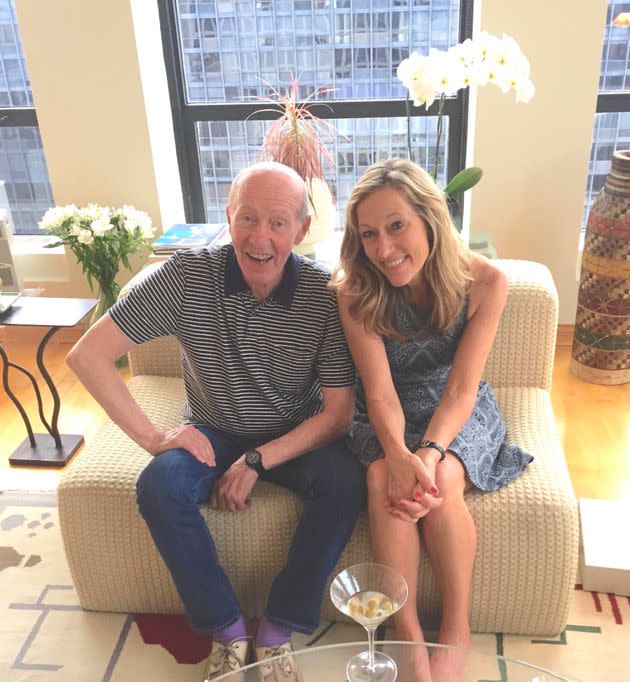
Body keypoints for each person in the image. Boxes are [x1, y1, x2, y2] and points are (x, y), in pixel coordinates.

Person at [66, 161, 366, 682]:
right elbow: (87, 356)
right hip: (211, 428)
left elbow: (339, 415)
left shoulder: (325, 295)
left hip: (293, 434)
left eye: (278, 222)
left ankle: (276, 630)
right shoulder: (188, 277)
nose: (261, 237)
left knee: (346, 482)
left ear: (302, 227)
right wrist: (155, 436)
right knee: (159, 486)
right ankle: (227, 631)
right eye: (248, 218)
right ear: (228, 219)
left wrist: (258, 459)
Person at [332, 158, 533, 682]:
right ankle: (408, 634)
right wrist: (399, 453)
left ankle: (457, 626)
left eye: (397, 226)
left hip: (455, 404)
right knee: (382, 476)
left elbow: (463, 386)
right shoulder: (354, 290)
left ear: (429, 217)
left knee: (441, 477)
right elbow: (377, 392)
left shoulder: (486, 281)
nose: (383, 249)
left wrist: (430, 451)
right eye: (369, 234)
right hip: (388, 408)